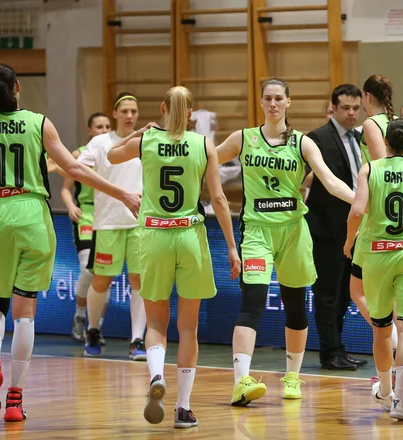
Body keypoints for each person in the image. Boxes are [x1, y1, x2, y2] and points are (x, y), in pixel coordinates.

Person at [0, 63, 140, 423]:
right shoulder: (39, 122)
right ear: (17, 87)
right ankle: (14, 400)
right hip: (32, 215)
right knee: (24, 311)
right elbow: (75, 170)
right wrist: (121, 192)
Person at [216, 77, 355, 406]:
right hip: (256, 232)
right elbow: (206, 159)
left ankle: (293, 376)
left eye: (279, 98)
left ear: (288, 102)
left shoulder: (303, 144)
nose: (273, 103)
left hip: (293, 231)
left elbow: (331, 182)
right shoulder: (244, 138)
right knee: (252, 303)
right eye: (268, 98)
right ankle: (241, 381)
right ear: (261, 103)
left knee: (295, 304)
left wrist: (362, 203)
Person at [108, 86, 241, 429]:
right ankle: (183, 408)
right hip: (189, 235)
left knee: (155, 324)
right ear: (192, 113)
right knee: (188, 327)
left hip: (153, 234)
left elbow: (111, 155)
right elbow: (219, 199)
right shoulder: (203, 144)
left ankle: (156, 376)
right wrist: (231, 245)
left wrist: (139, 132)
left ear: (163, 108)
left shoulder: (147, 141)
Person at [344, 119, 403, 420]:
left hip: (377, 255)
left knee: (381, 330)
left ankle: (384, 390)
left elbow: (357, 211)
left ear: (385, 141)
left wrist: (349, 240)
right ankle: (401, 401)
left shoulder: (370, 168)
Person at [77, 93, 147, 360]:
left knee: (139, 281)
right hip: (107, 223)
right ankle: (93, 329)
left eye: (134, 111)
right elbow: (78, 169)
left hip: (140, 222)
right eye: (125, 111)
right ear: (115, 113)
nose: (130, 115)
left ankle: (137, 340)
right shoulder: (100, 143)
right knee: (102, 280)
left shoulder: (146, 142)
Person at [306, 84, 368, 371]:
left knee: (346, 293)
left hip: (355, 230)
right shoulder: (316, 138)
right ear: (332, 107)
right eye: (346, 107)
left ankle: (338, 349)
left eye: (356, 108)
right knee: (327, 293)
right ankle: (329, 351)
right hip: (327, 230)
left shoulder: (360, 138)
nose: (352, 113)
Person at [60, 112, 112, 342]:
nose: (103, 129)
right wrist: (71, 204)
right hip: (87, 215)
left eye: (107, 126)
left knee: (104, 273)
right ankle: (80, 316)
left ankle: (96, 327)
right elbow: (65, 188)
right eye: (99, 126)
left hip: (110, 216)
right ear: (89, 130)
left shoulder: (118, 154)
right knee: (88, 269)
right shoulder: (79, 154)